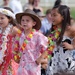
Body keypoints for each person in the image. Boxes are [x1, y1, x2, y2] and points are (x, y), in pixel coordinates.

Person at [13, 9, 48, 75]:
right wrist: (16, 56)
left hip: (33, 69)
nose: (24, 22)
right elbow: (15, 49)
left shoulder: (38, 36)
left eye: (27, 20)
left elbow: (48, 48)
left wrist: (40, 58)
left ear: (34, 23)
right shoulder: (19, 36)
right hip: (21, 69)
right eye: (22, 20)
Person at [45, 5, 73, 75]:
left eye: (55, 15)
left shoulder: (69, 29)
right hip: (52, 68)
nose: (52, 17)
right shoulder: (54, 31)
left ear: (63, 17)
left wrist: (73, 46)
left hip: (66, 69)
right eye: (51, 15)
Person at [0, 7, 20, 75]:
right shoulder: (0, 29)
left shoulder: (14, 30)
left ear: (10, 18)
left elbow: (23, 41)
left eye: (2, 18)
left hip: (10, 59)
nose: (0, 20)